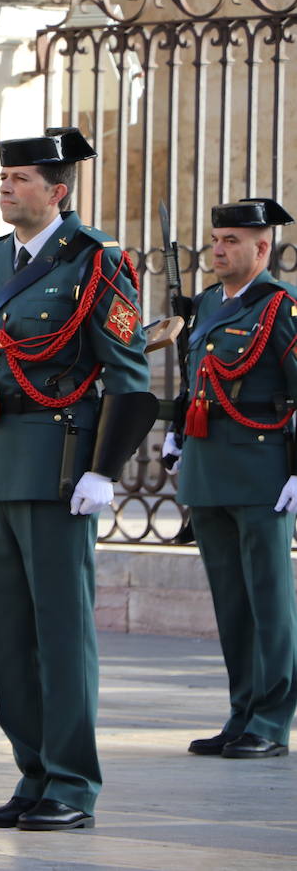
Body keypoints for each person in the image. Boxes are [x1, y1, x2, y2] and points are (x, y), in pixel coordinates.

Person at [0, 128, 155, 831]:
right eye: (4, 176)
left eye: (21, 177)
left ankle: (72, 782)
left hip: (58, 468)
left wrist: (104, 471)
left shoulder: (97, 261)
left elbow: (131, 379)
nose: (5, 187)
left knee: (61, 635)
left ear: (58, 192)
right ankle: (32, 773)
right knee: (11, 639)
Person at [164, 197, 297, 760]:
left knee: (270, 599)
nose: (218, 250)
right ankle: (241, 711)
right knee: (230, 601)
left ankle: (271, 720)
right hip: (209, 467)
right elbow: (196, 379)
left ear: (262, 248)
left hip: (262, 469)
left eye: (232, 241)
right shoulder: (205, 307)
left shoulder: (281, 307)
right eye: (216, 239)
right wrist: (176, 430)